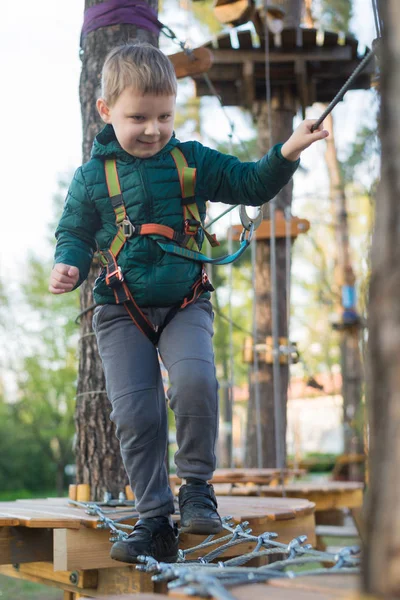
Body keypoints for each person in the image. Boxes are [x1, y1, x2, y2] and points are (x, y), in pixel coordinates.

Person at [49, 42, 328, 564]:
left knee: (198, 382)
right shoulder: (92, 178)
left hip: (185, 301)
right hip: (120, 309)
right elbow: (74, 231)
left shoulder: (190, 161)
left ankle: (197, 489)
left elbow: (250, 182)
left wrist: (287, 150)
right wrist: (67, 261)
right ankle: (154, 519)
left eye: (164, 116)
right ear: (106, 111)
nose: (153, 129)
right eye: (138, 117)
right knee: (136, 412)